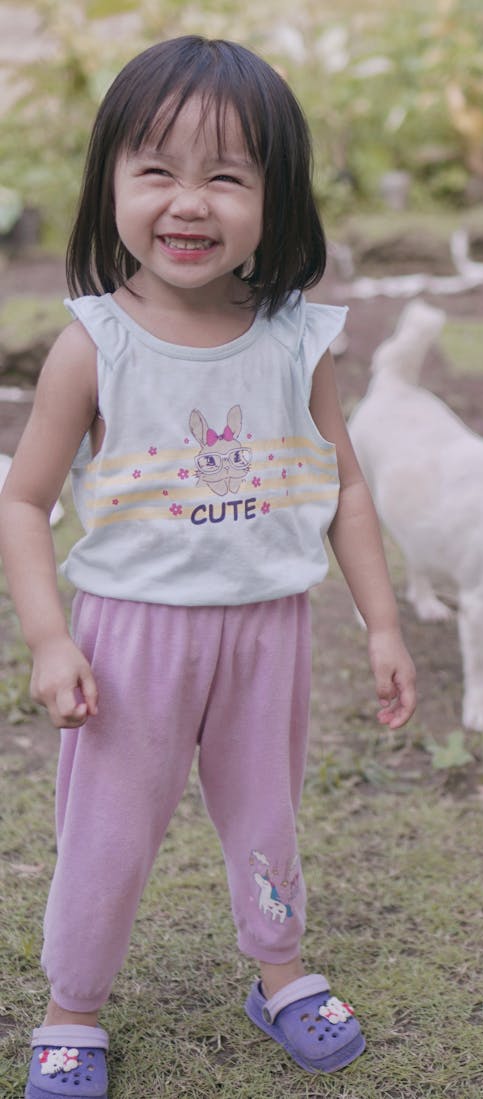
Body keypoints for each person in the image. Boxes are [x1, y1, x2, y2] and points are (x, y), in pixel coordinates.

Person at [0, 35, 416, 1097]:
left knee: (264, 817)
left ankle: (277, 968)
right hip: (130, 637)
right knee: (107, 832)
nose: (190, 201)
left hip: (267, 631)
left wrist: (381, 623)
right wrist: (50, 638)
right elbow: (24, 499)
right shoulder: (95, 344)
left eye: (226, 176)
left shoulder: (294, 341)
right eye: (158, 170)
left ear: (276, 201)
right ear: (109, 186)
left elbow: (348, 491)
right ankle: (73, 1006)